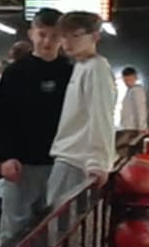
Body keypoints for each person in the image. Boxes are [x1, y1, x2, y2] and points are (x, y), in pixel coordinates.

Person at [0, 9, 71, 244]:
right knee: (14, 232)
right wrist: (4, 157)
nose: (47, 41)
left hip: (59, 164)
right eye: (42, 34)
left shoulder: (70, 72)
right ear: (31, 33)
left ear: (62, 37)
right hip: (21, 164)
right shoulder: (15, 72)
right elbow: (1, 117)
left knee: (54, 232)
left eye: (54, 36)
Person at [47, 11, 116, 206]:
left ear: (95, 37)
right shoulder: (81, 66)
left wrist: (97, 162)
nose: (67, 42)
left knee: (61, 220)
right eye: (64, 36)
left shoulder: (97, 68)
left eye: (75, 35)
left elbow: (101, 116)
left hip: (78, 161)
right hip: (70, 157)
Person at [118, 66, 149, 139]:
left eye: (130, 79)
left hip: (133, 128)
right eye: (125, 80)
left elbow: (140, 109)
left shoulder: (137, 90)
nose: (127, 82)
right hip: (127, 127)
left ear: (135, 78)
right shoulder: (129, 91)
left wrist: (142, 127)